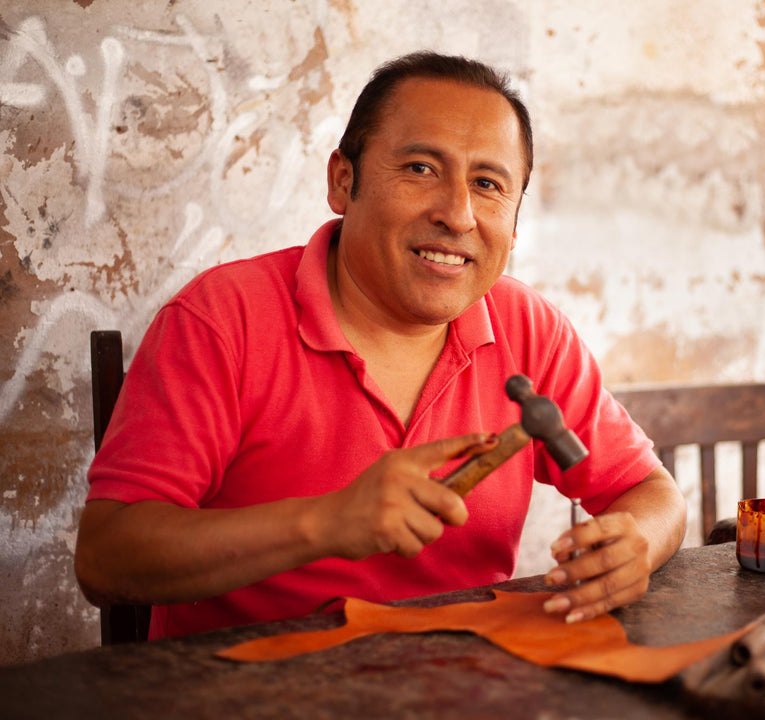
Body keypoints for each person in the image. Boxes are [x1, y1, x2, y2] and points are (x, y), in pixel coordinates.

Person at [75, 51, 686, 639]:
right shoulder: (222, 319)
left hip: (469, 685)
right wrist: (329, 522)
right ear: (344, 181)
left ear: (516, 224)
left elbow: (653, 493)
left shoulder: (529, 329)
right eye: (421, 168)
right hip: (254, 690)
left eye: (489, 184)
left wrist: (636, 544)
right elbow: (107, 559)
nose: (458, 214)